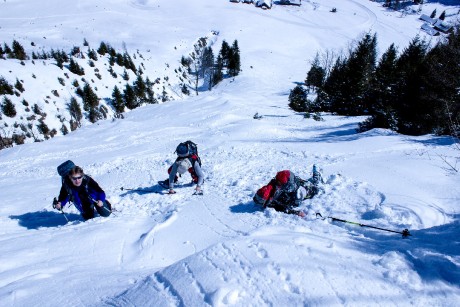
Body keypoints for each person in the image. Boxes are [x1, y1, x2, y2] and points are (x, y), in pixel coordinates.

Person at [253, 166, 322, 217]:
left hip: (298, 188)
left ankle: (316, 175)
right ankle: (314, 177)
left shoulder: (272, 188)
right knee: (309, 186)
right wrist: (296, 212)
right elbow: (284, 207)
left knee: (314, 189)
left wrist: (295, 212)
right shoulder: (271, 187)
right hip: (296, 188)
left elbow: (284, 207)